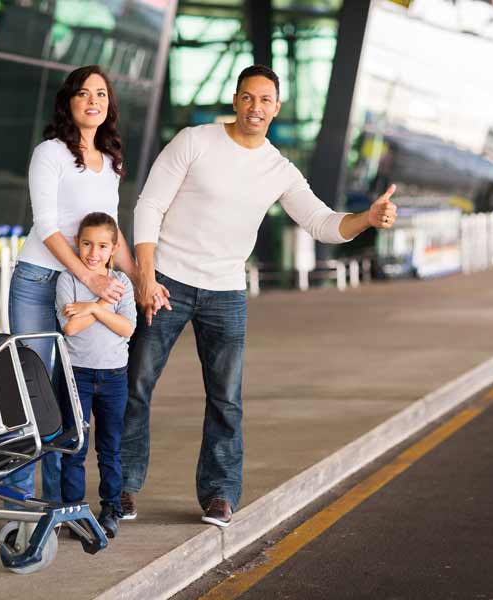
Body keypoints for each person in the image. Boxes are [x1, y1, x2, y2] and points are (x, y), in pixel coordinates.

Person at [120, 65, 397, 527]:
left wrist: (367, 218)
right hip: (168, 280)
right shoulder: (194, 141)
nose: (256, 108)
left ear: (277, 108)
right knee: (136, 386)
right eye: (248, 98)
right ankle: (122, 488)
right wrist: (145, 277)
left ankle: (219, 495)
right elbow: (149, 204)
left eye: (265, 100)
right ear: (235, 100)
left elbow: (322, 223)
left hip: (226, 290)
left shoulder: (278, 169)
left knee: (226, 398)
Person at [6, 65, 136, 503]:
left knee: (69, 394)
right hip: (40, 280)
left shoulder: (111, 162)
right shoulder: (51, 153)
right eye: (83, 93)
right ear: (69, 102)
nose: (93, 100)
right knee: (32, 386)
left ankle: (63, 499)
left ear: (109, 105)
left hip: (85, 287)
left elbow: (111, 234)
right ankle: (20, 495)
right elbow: (46, 225)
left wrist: (139, 282)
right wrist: (90, 278)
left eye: (101, 93)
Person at [55, 212, 136, 538]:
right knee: (75, 447)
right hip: (77, 375)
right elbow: (71, 328)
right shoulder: (68, 280)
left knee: (110, 448)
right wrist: (105, 304)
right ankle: (74, 511)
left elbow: (127, 328)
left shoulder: (123, 282)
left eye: (102, 245)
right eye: (87, 243)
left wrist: (92, 307)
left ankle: (111, 509)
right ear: (77, 243)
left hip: (115, 376)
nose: (93, 252)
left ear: (114, 248)